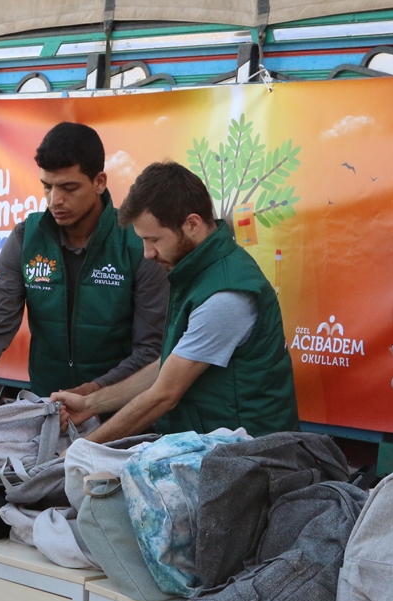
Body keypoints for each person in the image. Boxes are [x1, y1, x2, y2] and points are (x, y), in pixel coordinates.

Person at [0, 121, 169, 414]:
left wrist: (94, 393)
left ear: (99, 182)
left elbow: (152, 350)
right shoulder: (25, 239)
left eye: (69, 188)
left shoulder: (138, 244)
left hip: (124, 413)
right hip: (47, 409)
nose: (55, 200)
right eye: (47, 186)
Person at [52, 160, 299, 442]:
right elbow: (167, 367)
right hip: (215, 449)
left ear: (192, 224)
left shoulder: (226, 295)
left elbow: (163, 395)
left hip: (249, 456)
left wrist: (79, 451)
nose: (147, 253)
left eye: (154, 240)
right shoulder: (200, 271)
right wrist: (91, 404)